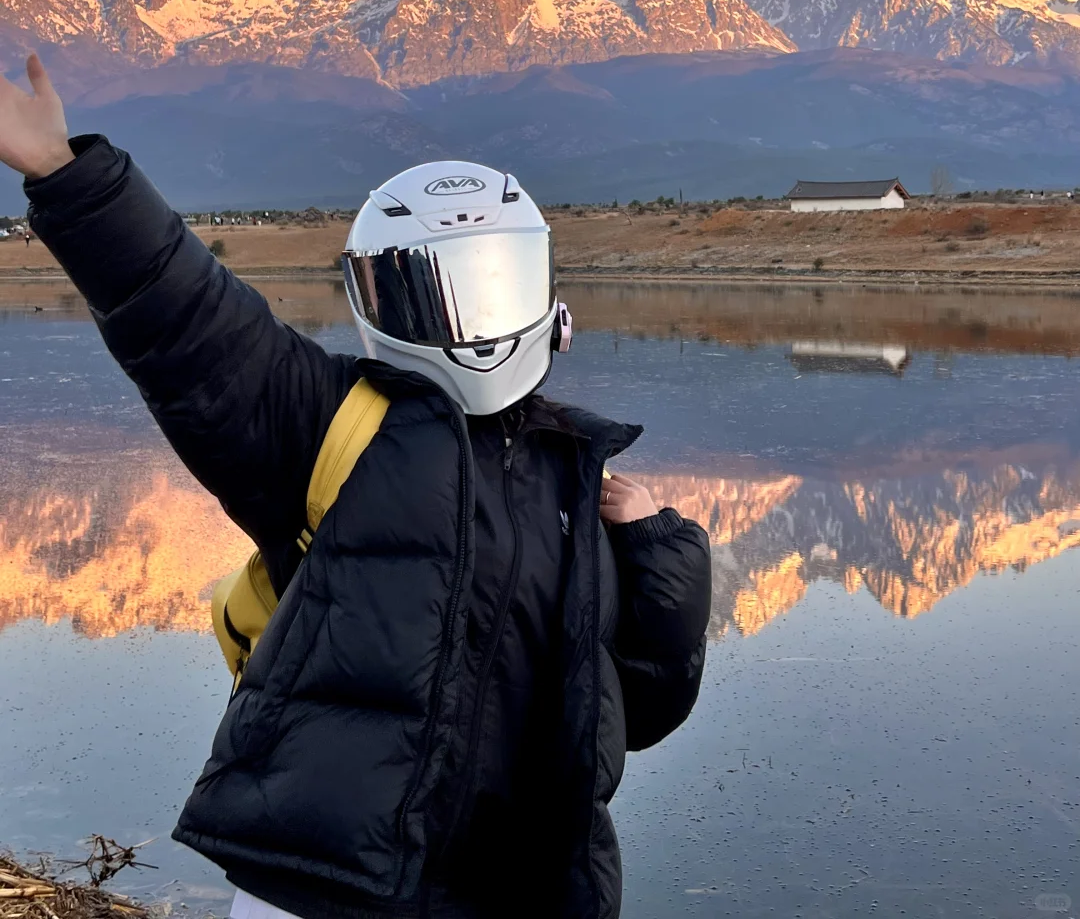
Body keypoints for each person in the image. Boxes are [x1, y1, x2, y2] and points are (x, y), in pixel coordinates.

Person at [0, 54, 712, 919]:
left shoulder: (579, 479)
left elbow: (640, 708)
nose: (473, 323)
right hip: (324, 887)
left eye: (492, 285)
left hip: (513, 894)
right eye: (434, 291)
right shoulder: (329, 423)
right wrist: (67, 174)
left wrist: (658, 554)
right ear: (379, 300)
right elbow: (186, 318)